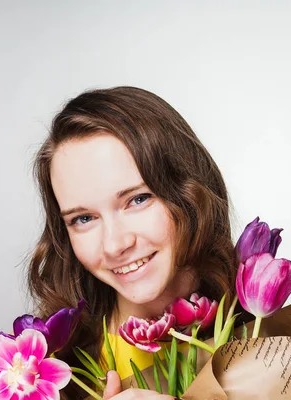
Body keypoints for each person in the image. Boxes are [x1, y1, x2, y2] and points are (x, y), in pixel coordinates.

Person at [27, 86, 239, 399]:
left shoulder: (271, 332)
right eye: (83, 219)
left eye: (137, 199)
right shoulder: (49, 369)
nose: (114, 245)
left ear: (191, 194)